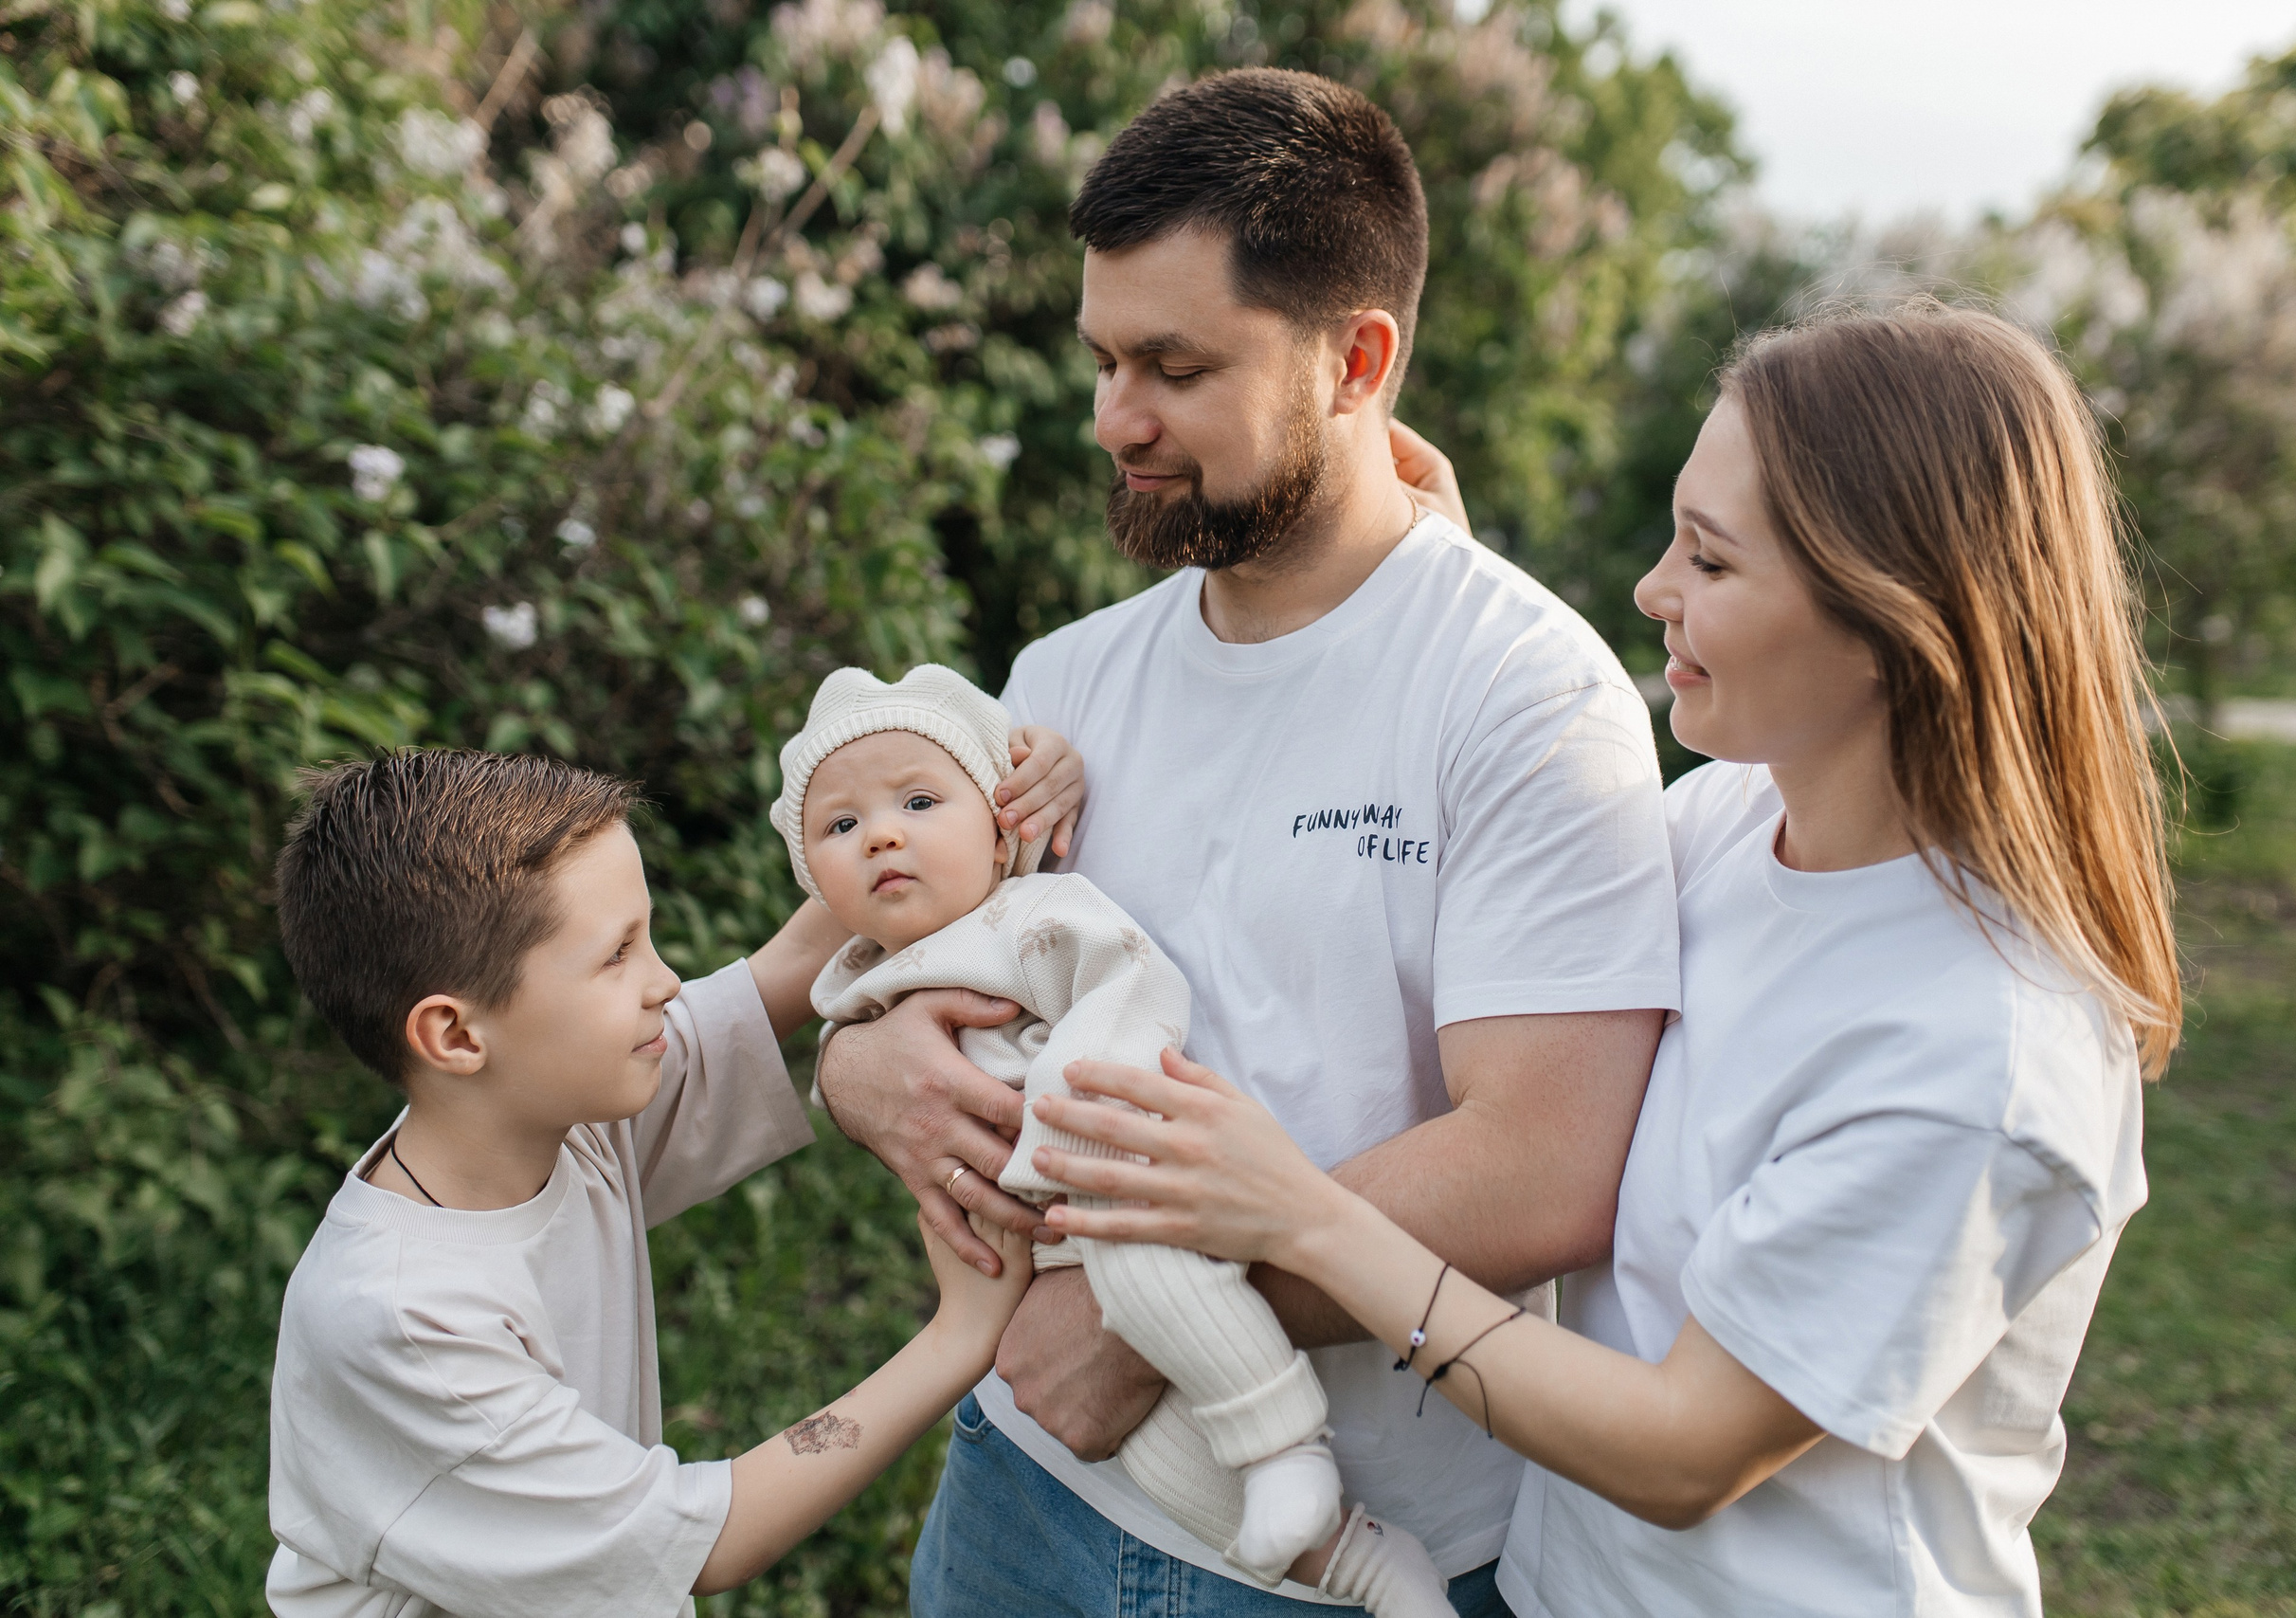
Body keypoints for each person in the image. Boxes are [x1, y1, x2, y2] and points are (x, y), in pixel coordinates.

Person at [1027, 303, 2179, 1618]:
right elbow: (1514, 840)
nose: (1652, 589)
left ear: (1888, 625)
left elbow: (1682, 1446)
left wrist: (1304, 1217)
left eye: (1711, 559)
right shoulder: (1732, 828)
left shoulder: (1982, 1049)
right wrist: (1427, 602)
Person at [814, 68, 1678, 1618]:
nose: (1112, 419)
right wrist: (854, 1063)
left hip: (1354, 1551)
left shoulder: (1526, 691)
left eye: (1174, 366)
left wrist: (1152, 1320)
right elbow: (899, 950)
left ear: (1357, 360)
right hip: (1021, 1484)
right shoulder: (1062, 682)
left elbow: (1544, 1163)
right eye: (1100, 359)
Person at [260, 748, 1053, 1615]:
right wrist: (960, 1335)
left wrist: (999, 774)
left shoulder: (546, 1116)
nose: (665, 981)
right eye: (617, 957)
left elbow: (789, 963)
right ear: (455, 1036)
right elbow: (702, 1539)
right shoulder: (401, 1319)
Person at [772, 663, 1455, 1615]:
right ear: (814, 880)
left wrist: (1069, 1106)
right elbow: (860, 1072)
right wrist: (847, 1074)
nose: (881, 832)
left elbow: (1132, 987)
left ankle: (1282, 1442)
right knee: (1159, 1456)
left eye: (919, 801)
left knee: (1149, 1281)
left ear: (1001, 823)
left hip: (1112, 1173)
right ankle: (1362, 1564)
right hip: (1034, 1260)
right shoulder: (852, 979)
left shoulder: (1034, 916)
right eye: (838, 827)